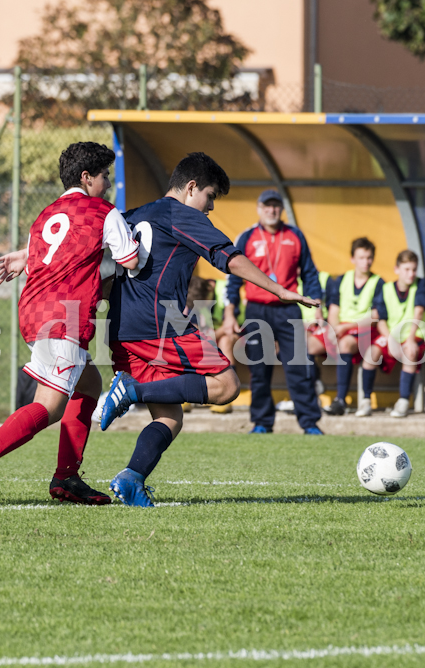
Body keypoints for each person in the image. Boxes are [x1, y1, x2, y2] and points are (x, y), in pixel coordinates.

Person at [99, 153, 319, 507]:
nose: (211, 207)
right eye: (210, 196)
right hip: (159, 324)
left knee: (170, 417)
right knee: (226, 385)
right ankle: (131, 392)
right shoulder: (182, 214)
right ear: (191, 188)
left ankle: (131, 478)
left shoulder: (134, 215)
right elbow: (229, 257)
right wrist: (278, 289)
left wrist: (26, 256)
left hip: (122, 329)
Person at [0, 141, 140, 506]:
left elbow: (49, 257)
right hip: (64, 316)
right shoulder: (103, 211)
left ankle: (67, 477)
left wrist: (27, 256)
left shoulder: (45, 214)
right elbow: (131, 260)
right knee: (51, 405)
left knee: (89, 383)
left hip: (33, 310)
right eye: (105, 176)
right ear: (86, 177)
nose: (108, 184)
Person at [220, 189, 324, 435]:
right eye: (267, 206)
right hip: (257, 311)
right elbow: (233, 278)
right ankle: (262, 422)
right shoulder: (247, 237)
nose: (272, 210)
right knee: (259, 369)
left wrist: (317, 308)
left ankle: (309, 423)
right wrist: (230, 312)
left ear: (282, 209)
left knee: (299, 367)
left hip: (288, 311)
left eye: (276, 206)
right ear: (259, 209)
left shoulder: (295, 235)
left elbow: (310, 273)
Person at [356, 250, 425, 419]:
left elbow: (419, 313)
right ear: (396, 269)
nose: (411, 274)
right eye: (407, 269)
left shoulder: (420, 285)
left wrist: (410, 339)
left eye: (414, 269)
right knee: (371, 353)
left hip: (415, 335)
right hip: (392, 335)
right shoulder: (386, 289)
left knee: (410, 352)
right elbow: (381, 319)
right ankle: (366, 401)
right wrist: (391, 340)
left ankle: (403, 401)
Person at [320, 237, 383, 416]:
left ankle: (341, 399)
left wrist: (345, 328)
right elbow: (333, 310)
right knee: (308, 344)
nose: (366, 262)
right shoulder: (341, 280)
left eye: (369, 258)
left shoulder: (378, 283)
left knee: (346, 343)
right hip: (341, 329)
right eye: (361, 258)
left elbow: (375, 316)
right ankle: (308, 395)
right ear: (353, 259)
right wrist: (333, 329)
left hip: (364, 331)